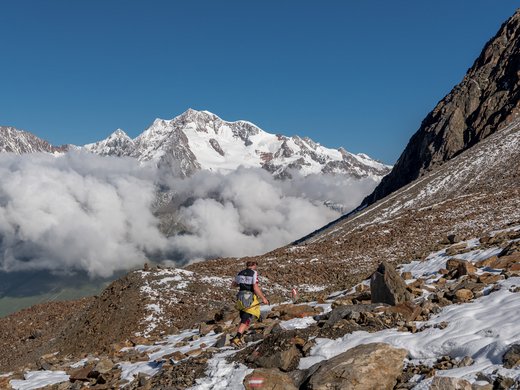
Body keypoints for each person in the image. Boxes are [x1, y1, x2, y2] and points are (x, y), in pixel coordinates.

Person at [231, 260, 269, 347]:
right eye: (256, 266)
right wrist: (263, 298)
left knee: (244, 317)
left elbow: (233, 285)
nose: (256, 268)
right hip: (249, 297)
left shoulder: (240, 273)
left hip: (240, 296)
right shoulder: (253, 273)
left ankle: (238, 337)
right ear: (254, 265)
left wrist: (242, 284)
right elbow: (255, 287)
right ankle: (237, 338)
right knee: (246, 318)